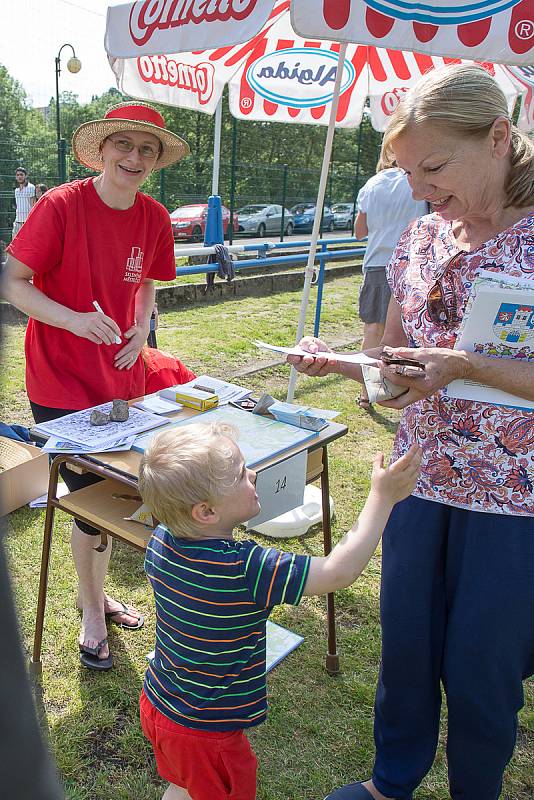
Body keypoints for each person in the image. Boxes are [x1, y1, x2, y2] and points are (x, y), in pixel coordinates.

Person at [288, 64, 534, 800]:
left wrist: (467, 365)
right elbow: (391, 368)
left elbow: (458, 363)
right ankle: (391, 783)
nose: (420, 190)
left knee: (481, 664)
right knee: (407, 647)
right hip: (417, 477)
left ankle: (475, 790)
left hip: (513, 498)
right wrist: (348, 366)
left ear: (498, 138)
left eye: (433, 167)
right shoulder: (422, 236)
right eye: (407, 171)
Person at [0, 102, 190, 671]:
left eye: (146, 149)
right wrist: (76, 320)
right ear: (101, 150)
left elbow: (148, 284)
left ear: (156, 161)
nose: (133, 157)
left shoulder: (154, 217)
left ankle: (97, 594)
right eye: (123, 146)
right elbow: (14, 283)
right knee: (88, 496)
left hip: (122, 373)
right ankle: (91, 613)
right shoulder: (61, 206)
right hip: (60, 378)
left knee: (113, 492)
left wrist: (139, 327)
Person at [137, 422, 421, 800]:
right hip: (207, 730)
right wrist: (381, 498)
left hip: (159, 702)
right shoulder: (248, 569)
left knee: (187, 785)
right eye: (240, 474)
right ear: (206, 511)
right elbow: (339, 571)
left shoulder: (161, 541)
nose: (253, 473)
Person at [353, 154, 426, 409]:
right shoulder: (419, 182)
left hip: (376, 263)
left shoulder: (371, 185)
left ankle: (366, 393)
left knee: (372, 330)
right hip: (412, 264)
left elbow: (359, 231)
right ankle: (396, 390)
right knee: (405, 335)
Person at [12, 167, 36, 238]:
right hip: (17, 221)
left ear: (25, 176)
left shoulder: (31, 187)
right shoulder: (16, 190)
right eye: (18, 175)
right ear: (16, 177)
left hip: (27, 222)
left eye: (21, 175)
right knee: (14, 243)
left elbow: (33, 205)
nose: (19, 177)